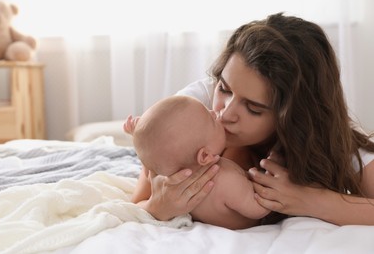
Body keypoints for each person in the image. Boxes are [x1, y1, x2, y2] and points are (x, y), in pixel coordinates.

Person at [130, 12, 374, 226]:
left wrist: (309, 200)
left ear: (293, 116)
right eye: (224, 89)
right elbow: (139, 202)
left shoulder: (327, 140)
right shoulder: (192, 109)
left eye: (254, 108)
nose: (225, 113)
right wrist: (159, 208)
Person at [123, 95, 270, 229]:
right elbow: (260, 208)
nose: (216, 113)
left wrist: (141, 139)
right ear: (205, 156)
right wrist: (269, 176)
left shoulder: (168, 178)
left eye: (253, 107)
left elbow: (156, 153)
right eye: (211, 119)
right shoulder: (226, 178)